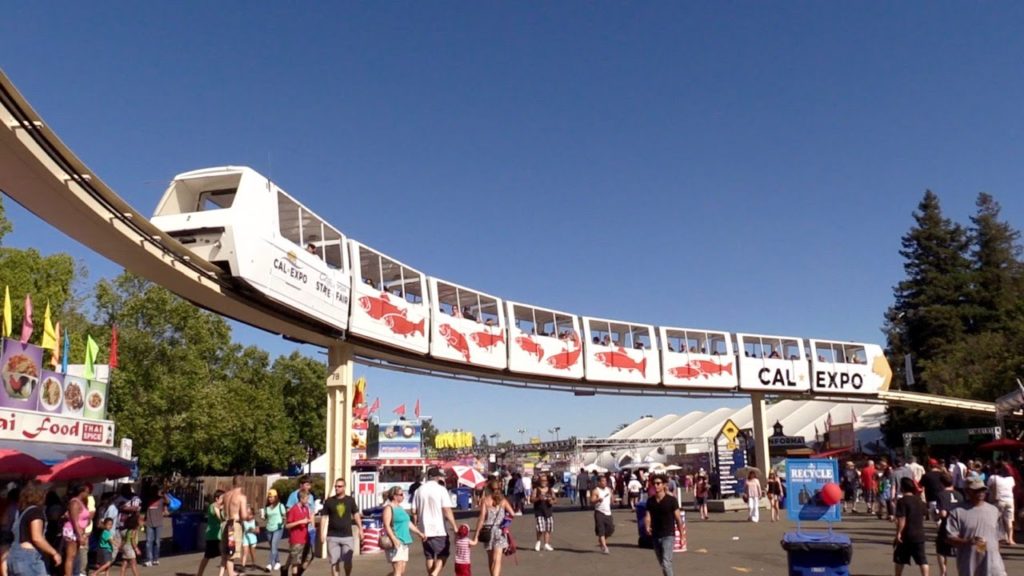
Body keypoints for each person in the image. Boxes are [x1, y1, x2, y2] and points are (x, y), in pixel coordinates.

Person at [945, 477, 1006, 576]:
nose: (980, 493)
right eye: (976, 490)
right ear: (967, 491)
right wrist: (968, 541)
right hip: (970, 566)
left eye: (982, 490)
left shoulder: (994, 510)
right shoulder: (957, 511)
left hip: (994, 566)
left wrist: (994, 554)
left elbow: (999, 538)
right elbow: (949, 538)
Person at [411, 467, 458, 576]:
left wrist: (416, 524)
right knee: (444, 553)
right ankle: (435, 573)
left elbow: (414, 510)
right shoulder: (441, 489)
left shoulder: (419, 490)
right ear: (437, 477)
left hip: (424, 529)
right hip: (438, 528)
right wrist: (454, 526)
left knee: (429, 555)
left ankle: (431, 574)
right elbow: (446, 510)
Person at [9, 484, 62, 576]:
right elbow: (37, 538)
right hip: (28, 558)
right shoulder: (35, 512)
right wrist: (54, 553)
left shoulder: (21, 513)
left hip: (14, 555)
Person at [471, 478, 516, 576]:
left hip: (488, 531)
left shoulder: (485, 501)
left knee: (491, 559)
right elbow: (512, 513)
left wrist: (475, 536)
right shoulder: (503, 501)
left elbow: (481, 519)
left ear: (489, 489)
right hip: (500, 530)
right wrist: (505, 523)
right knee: (497, 559)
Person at [644, 474, 686, 576]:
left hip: (668, 534)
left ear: (664, 485)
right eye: (654, 484)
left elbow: (678, 519)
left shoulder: (671, 500)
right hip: (655, 535)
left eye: (658, 483)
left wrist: (682, 536)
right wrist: (647, 526)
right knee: (662, 563)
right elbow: (648, 516)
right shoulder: (650, 501)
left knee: (666, 562)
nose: (656, 486)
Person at [321, 477, 362, 576]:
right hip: (332, 536)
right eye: (336, 486)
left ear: (344, 487)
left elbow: (356, 515)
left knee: (347, 561)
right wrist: (322, 533)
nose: (337, 488)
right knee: (334, 562)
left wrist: (361, 529)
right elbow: (323, 517)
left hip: (347, 536)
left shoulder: (350, 500)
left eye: (339, 486)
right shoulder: (329, 501)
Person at [382, 487, 424, 576]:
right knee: (398, 569)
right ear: (394, 496)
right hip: (396, 542)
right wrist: (394, 539)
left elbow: (408, 523)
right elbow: (386, 525)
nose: (403, 496)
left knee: (401, 571)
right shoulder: (389, 508)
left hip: (405, 541)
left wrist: (419, 533)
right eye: (401, 494)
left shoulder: (400, 508)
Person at [894, 477, 929, 576]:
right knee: (922, 559)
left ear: (902, 488)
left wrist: (899, 533)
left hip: (907, 533)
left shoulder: (902, 501)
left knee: (900, 558)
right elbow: (925, 513)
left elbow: (902, 519)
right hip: (919, 533)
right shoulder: (919, 501)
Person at [934, 473, 961, 576]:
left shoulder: (941, 495)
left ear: (941, 483)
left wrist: (936, 517)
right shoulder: (959, 494)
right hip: (958, 525)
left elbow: (943, 513)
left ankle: (943, 572)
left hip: (947, 524)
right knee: (959, 549)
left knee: (941, 549)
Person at [221, 476, 248, 576]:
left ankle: (231, 574)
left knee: (227, 552)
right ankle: (232, 574)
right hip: (234, 525)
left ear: (233, 483)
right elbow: (244, 515)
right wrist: (248, 517)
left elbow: (218, 506)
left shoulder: (226, 495)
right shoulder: (241, 497)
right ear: (243, 484)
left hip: (226, 523)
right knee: (231, 553)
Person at [62, 483, 90, 576]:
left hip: (78, 531)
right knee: (70, 556)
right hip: (72, 531)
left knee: (74, 556)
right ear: (81, 492)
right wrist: (79, 535)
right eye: (86, 492)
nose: (88, 493)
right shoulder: (74, 502)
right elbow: (75, 521)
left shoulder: (81, 502)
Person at [195, 490, 224, 576]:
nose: (224, 499)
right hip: (212, 536)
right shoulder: (213, 506)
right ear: (217, 498)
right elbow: (220, 518)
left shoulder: (222, 507)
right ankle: (199, 574)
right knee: (207, 557)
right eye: (222, 498)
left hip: (220, 536)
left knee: (224, 556)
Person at [283, 492, 313, 576]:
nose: (308, 501)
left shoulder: (306, 508)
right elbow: (287, 525)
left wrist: (308, 521)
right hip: (296, 539)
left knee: (309, 557)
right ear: (301, 499)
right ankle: (290, 572)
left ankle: (297, 572)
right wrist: (300, 522)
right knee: (295, 562)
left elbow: (306, 519)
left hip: (305, 538)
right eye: (307, 499)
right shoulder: (294, 509)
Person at [987, 464, 1016, 546]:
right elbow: (1012, 487)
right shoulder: (1011, 479)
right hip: (1010, 500)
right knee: (1009, 520)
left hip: (998, 500)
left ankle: (997, 537)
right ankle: (1010, 539)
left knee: (995, 520)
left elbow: (988, 488)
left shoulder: (993, 477)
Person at [142, 489, 168, 567]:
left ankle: (155, 559)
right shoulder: (147, 500)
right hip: (149, 523)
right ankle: (149, 559)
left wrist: (164, 494)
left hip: (159, 523)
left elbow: (168, 502)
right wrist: (143, 522)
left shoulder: (161, 499)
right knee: (148, 542)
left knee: (157, 542)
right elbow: (143, 510)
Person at [590, 475, 615, 554]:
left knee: (611, 529)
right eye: (603, 481)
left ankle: (601, 539)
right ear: (599, 482)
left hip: (608, 512)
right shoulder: (596, 491)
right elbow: (591, 501)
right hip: (599, 512)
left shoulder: (609, 490)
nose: (605, 483)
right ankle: (604, 547)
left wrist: (614, 500)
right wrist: (598, 500)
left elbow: (612, 499)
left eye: (605, 481)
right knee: (601, 530)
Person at [262, 489, 286, 572]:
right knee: (273, 547)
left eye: (272, 497)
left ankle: (269, 564)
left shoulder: (280, 506)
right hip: (269, 528)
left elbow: (284, 516)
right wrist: (263, 516)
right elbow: (265, 518)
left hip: (278, 528)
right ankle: (278, 561)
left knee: (273, 545)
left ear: (276, 497)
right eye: (269, 497)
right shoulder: (267, 508)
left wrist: (282, 523)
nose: (270, 499)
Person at [530, 474, 555, 551]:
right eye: (542, 480)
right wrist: (538, 498)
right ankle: (538, 542)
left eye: (545, 480)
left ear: (547, 481)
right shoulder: (536, 490)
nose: (543, 482)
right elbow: (531, 500)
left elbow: (555, 500)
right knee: (540, 528)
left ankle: (546, 544)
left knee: (548, 528)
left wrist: (551, 501)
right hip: (539, 511)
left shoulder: (550, 490)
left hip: (548, 511)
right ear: (539, 481)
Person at [239, 506, 258, 573]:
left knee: (252, 552)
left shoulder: (255, 522)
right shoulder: (243, 522)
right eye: (247, 514)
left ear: (253, 515)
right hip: (245, 538)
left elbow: (258, 531)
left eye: (249, 514)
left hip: (253, 539)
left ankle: (254, 564)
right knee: (245, 552)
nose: (248, 516)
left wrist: (252, 530)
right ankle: (243, 566)